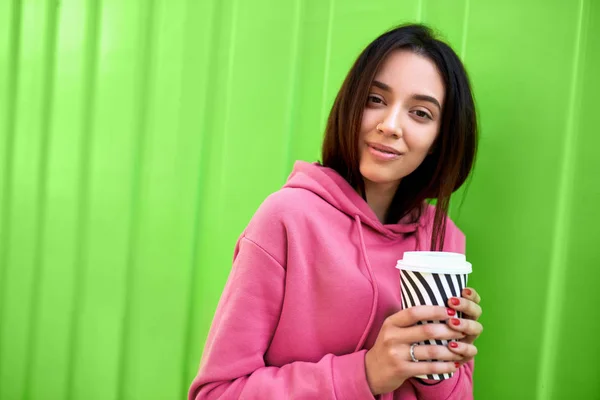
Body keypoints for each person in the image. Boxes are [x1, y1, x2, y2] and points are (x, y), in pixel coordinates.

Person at [189, 23, 483, 399]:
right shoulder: (288, 218)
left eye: (420, 113)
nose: (390, 125)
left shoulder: (444, 239)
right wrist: (366, 373)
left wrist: (438, 364)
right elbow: (217, 393)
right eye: (375, 100)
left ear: (441, 140)